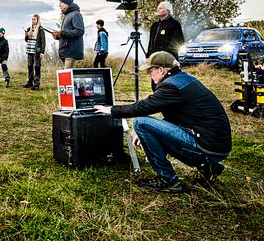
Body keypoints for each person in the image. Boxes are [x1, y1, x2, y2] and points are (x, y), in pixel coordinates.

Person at [94, 51, 232, 193]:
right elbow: (177, 117)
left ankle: (168, 180)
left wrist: (111, 110)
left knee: (140, 122)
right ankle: (208, 166)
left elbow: (142, 107)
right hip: (215, 146)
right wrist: (148, 134)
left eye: (150, 70)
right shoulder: (182, 80)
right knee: (145, 126)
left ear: (161, 70)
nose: (149, 74)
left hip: (206, 147)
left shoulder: (170, 86)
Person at [52, 0, 84, 69]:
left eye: (61, 3)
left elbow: (79, 31)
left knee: (67, 74)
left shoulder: (76, 14)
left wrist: (62, 32)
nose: (59, 5)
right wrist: (58, 36)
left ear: (67, 4)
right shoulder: (67, 15)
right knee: (66, 75)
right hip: (65, 50)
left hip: (71, 51)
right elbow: (66, 33)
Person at [24, 14, 46, 90]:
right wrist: (27, 35)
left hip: (37, 50)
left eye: (34, 19)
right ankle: (30, 82)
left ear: (37, 20)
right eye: (32, 19)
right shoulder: (29, 28)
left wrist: (42, 52)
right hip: (29, 49)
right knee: (30, 66)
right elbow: (26, 40)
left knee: (37, 66)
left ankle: (36, 84)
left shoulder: (40, 29)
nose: (33, 21)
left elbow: (43, 42)